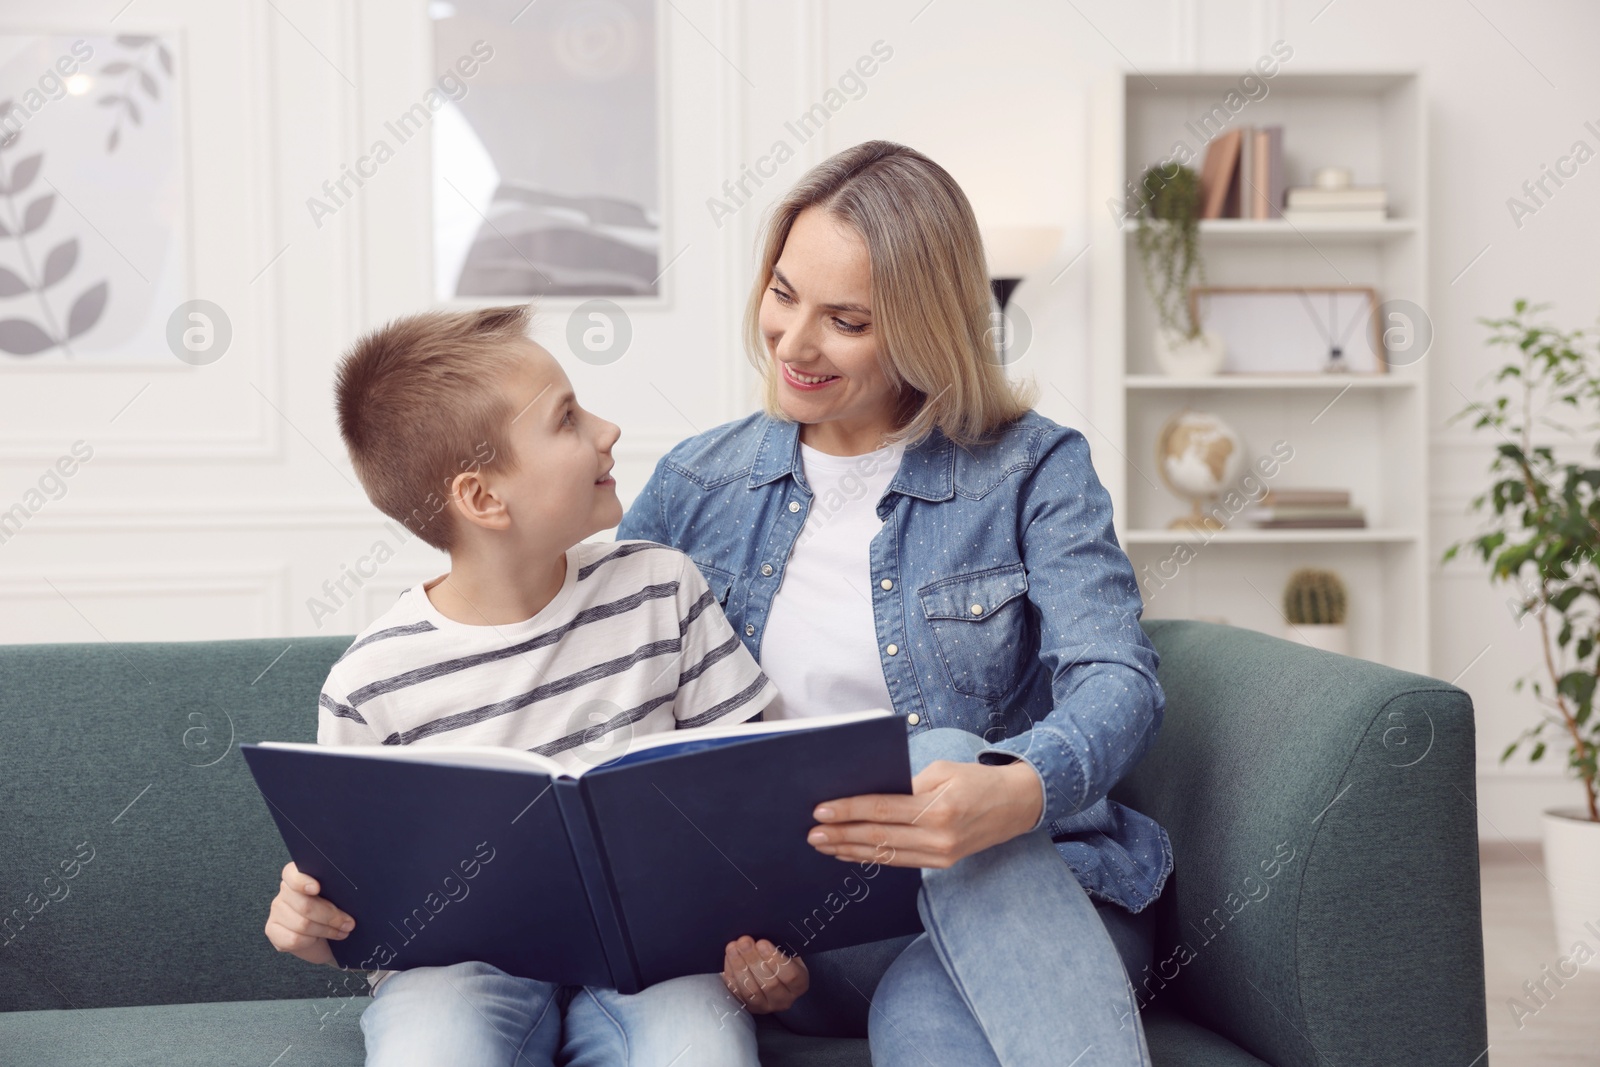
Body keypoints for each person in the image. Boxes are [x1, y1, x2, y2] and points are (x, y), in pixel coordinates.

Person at [616, 140, 1172, 1066]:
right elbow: (609, 706)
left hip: (1036, 890)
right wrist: (724, 924)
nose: (794, 342)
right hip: (812, 936)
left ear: (923, 327)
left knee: (928, 1005)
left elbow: (1119, 681)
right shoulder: (695, 483)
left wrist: (1016, 789)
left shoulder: (1032, 468)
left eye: (846, 319)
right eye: (784, 293)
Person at [262, 304, 777, 1067]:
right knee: (430, 1048)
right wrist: (311, 925)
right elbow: (367, 917)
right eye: (567, 419)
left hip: (657, 963)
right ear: (483, 498)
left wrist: (770, 939)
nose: (608, 430)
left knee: (700, 1047)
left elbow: (757, 795)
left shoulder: (661, 587)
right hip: (457, 978)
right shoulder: (371, 684)